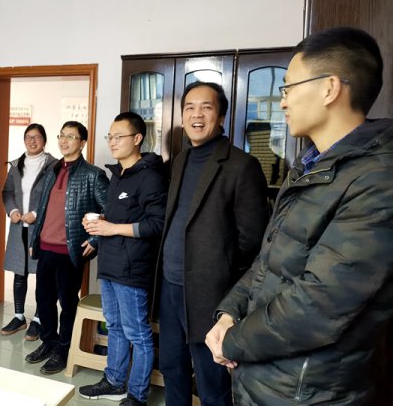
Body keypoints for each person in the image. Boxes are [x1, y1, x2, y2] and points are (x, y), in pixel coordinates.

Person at [205, 27, 393, 405]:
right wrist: (229, 313)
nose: (283, 102)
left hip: (307, 389)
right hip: (267, 374)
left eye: (288, 87)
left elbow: (318, 305)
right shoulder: (310, 166)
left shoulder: (378, 181)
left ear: (329, 89)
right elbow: (268, 259)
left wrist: (234, 341)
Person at [152, 81, 269, 406]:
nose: (196, 115)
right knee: (172, 368)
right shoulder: (180, 160)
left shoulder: (241, 165)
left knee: (211, 381)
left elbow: (252, 240)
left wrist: (219, 271)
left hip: (210, 294)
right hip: (170, 286)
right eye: (189, 108)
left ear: (221, 117)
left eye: (206, 107)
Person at [78, 112, 167, 406]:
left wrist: (111, 228)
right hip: (110, 263)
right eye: (110, 137)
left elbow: (157, 224)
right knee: (114, 326)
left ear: (137, 138)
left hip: (132, 268)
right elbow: (121, 216)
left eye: (119, 136)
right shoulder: (118, 175)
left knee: (138, 334)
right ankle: (114, 382)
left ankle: (137, 395)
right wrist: (99, 223)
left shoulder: (151, 177)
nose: (113, 142)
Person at [25, 121, 109, 375]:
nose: (64, 140)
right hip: (46, 247)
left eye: (71, 136)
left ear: (82, 142)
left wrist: (94, 240)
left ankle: (63, 349)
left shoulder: (93, 174)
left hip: (70, 251)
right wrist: (34, 240)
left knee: (68, 302)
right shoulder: (51, 169)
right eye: (62, 135)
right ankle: (48, 342)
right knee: (44, 299)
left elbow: (110, 211)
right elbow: (41, 210)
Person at [1, 124, 57, 340]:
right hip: (19, 228)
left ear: (44, 140)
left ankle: (39, 319)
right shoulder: (16, 165)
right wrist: (12, 210)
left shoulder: (53, 165)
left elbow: (56, 196)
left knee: (43, 275)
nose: (32, 141)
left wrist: (36, 213)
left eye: (37, 137)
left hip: (42, 229)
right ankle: (19, 317)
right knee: (20, 272)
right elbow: (7, 192)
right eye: (28, 137)